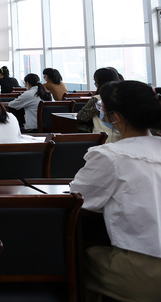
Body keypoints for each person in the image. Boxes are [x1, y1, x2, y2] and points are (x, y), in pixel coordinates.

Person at [69, 81, 161, 302]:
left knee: (74, 259)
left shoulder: (110, 156)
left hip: (144, 270)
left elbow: (78, 198)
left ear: (116, 117)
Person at [77, 67, 122, 140]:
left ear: (98, 81)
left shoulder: (97, 99)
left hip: (103, 138)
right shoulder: (123, 97)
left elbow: (81, 116)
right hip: (121, 136)